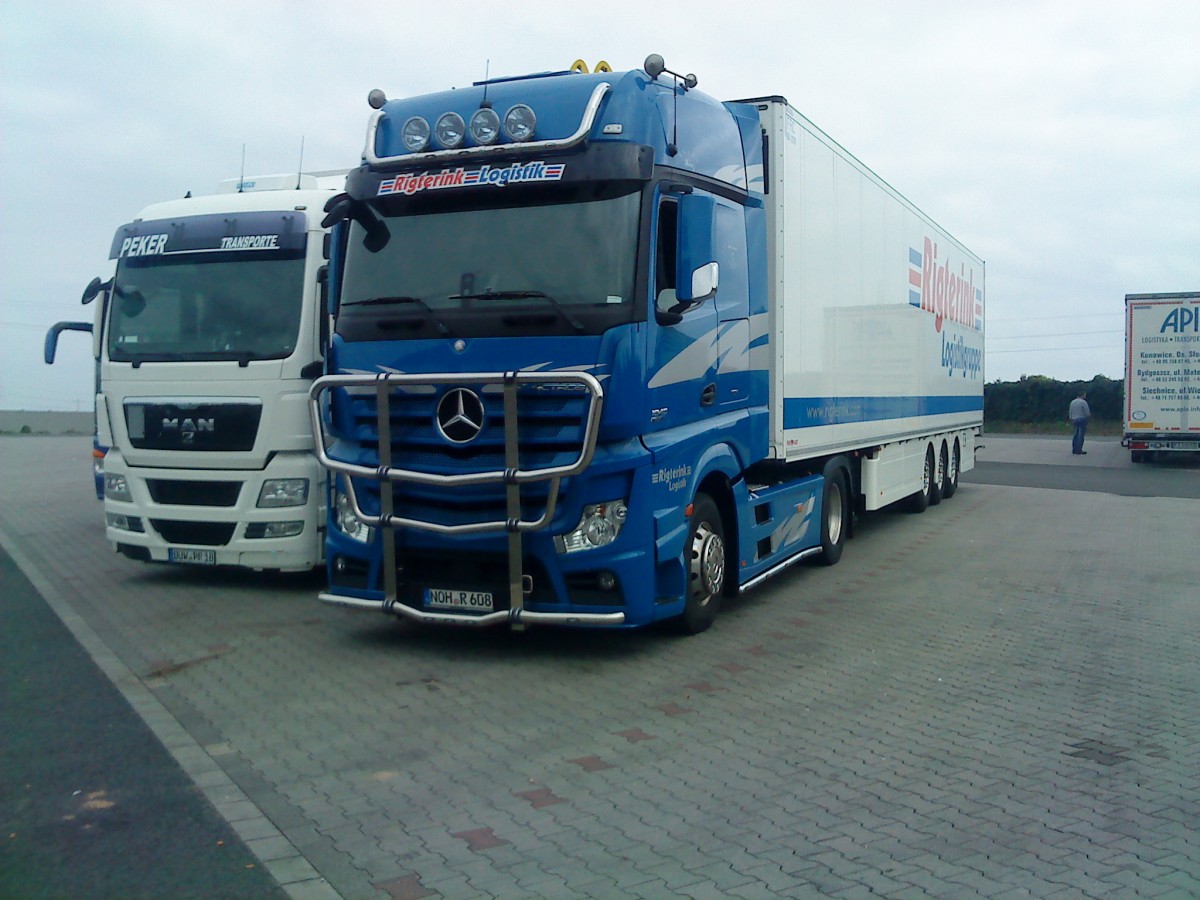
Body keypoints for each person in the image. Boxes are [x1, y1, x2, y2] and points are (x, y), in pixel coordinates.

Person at [1069, 390, 1091, 455]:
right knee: (1081, 435)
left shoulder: (1072, 402)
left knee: (1075, 434)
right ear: (1083, 395)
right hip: (1082, 419)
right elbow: (1087, 413)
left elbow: (1070, 411)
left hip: (1074, 419)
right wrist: (1088, 417)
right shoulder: (1083, 402)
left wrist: (1071, 418)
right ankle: (1079, 449)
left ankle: (1074, 449)